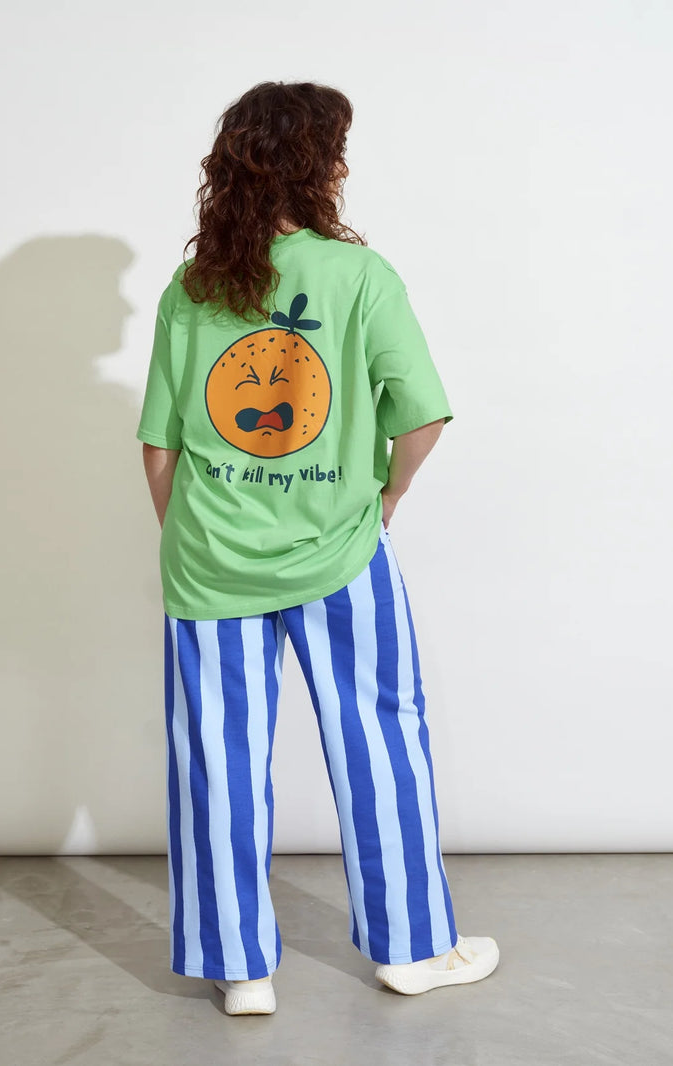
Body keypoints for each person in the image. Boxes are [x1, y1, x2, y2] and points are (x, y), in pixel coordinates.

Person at [136, 80, 499, 1016]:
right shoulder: (359, 276)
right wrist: (386, 497)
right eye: (336, 150)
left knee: (217, 757)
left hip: (210, 561)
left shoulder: (193, 287)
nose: (343, 165)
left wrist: (196, 535)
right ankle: (413, 950)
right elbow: (422, 417)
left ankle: (239, 970)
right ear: (315, 166)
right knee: (381, 737)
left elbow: (159, 447)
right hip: (341, 552)